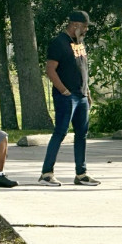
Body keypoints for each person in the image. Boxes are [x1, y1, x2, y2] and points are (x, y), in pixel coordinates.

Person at [40, 10, 100, 187]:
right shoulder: (58, 42)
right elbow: (50, 70)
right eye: (85, 27)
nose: (86, 30)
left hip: (81, 95)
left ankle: (81, 174)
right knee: (60, 132)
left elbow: (82, 68)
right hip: (66, 96)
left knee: (82, 134)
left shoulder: (80, 44)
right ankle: (46, 173)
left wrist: (87, 91)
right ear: (75, 25)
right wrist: (63, 90)